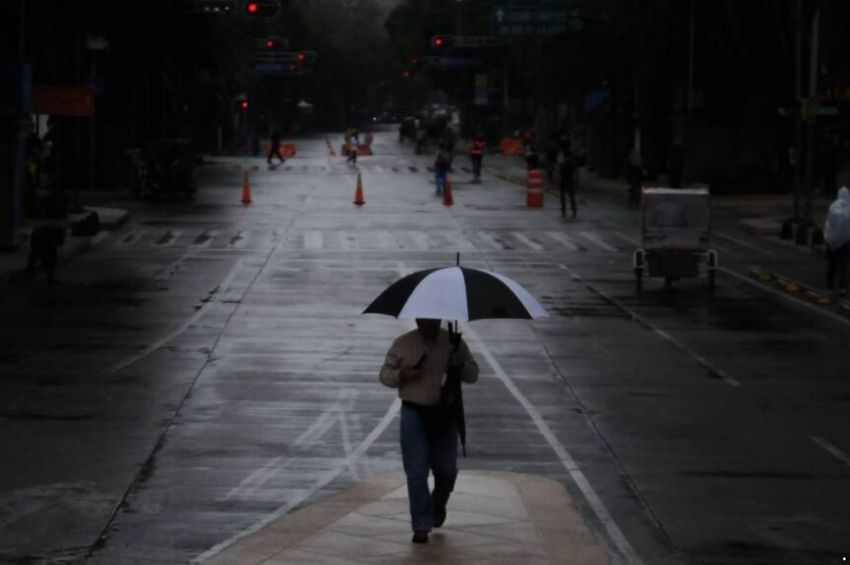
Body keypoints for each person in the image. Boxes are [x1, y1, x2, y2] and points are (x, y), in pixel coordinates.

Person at [379, 318, 479, 544]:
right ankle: (421, 526)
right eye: (424, 319)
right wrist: (402, 375)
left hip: (445, 415)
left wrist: (459, 365)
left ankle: (438, 504)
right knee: (416, 472)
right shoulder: (403, 343)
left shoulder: (454, 343)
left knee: (446, 470)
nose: (429, 323)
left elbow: (473, 374)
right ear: (417, 320)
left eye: (434, 318)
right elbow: (385, 375)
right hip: (414, 413)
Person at [824, 186, 850, 296]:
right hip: (845, 241)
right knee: (843, 264)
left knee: (832, 264)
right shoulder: (849, 207)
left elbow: (829, 222)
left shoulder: (832, 206)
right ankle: (842, 287)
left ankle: (829, 288)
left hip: (831, 241)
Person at [559, 143, 579, 218]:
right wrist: (576, 182)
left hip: (564, 181)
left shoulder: (563, 164)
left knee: (563, 197)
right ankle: (573, 210)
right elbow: (576, 174)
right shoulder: (572, 164)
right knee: (571, 197)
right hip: (569, 181)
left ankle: (564, 210)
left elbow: (560, 172)